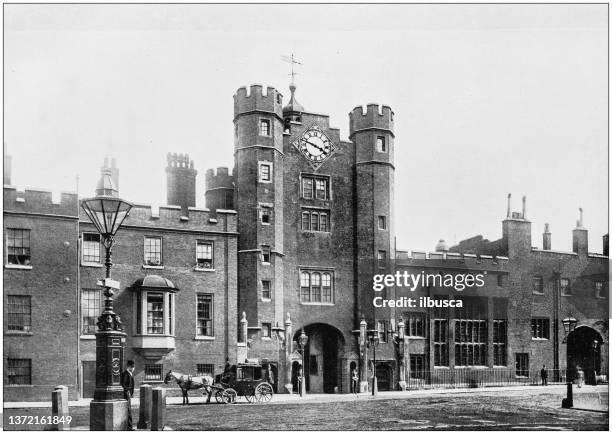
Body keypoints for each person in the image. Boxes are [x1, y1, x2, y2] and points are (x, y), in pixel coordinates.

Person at [121, 360, 136, 430]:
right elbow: (123, 384)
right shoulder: (126, 374)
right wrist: (127, 391)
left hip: (128, 394)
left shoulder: (129, 373)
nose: (133, 368)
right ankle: (129, 428)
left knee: (128, 410)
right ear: (129, 367)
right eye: (132, 367)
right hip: (126, 394)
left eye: (133, 367)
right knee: (128, 411)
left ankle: (129, 427)